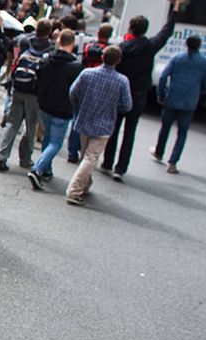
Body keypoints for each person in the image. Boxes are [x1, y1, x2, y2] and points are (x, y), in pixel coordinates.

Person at [102, 0, 185, 180]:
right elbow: (167, 31)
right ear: (145, 30)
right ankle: (120, 168)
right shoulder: (150, 46)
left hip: (119, 93)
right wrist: (176, 8)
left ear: (131, 28)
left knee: (114, 129)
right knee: (130, 132)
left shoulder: (122, 48)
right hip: (138, 94)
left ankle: (107, 162)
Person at [66, 45, 132, 206]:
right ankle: (74, 191)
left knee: (85, 155)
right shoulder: (122, 81)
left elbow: (72, 94)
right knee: (91, 157)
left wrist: (81, 105)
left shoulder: (87, 74)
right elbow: (127, 105)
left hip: (85, 119)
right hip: (104, 124)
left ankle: (84, 185)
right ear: (119, 61)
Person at [0, 19, 52, 172]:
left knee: (12, 123)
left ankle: (1, 156)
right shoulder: (49, 48)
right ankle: (25, 158)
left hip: (18, 86)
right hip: (33, 91)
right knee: (30, 124)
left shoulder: (25, 41)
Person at [27, 29, 82, 190]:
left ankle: (46, 169)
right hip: (62, 109)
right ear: (72, 44)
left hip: (45, 105)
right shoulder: (75, 66)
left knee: (48, 138)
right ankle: (38, 168)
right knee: (56, 143)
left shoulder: (47, 60)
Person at [151, 35, 206, 173]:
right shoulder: (205, 62)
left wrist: (161, 94)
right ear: (199, 45)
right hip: (189, 101)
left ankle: (159, 152)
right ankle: (173, 162)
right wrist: (197, 92)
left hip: (172, 98)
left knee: (165, 127)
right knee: (182, 132)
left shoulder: (177, 58)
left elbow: (163, 76)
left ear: (186, 44)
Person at [67, 23, 112, 163]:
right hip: (101, 90)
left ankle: (72, 152)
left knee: (77, 120)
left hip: (85, 86)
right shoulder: (108, 50)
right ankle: (84, 150)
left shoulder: (87, 47)